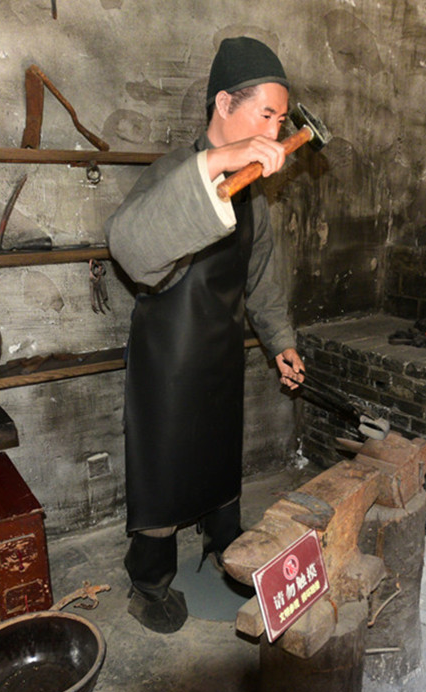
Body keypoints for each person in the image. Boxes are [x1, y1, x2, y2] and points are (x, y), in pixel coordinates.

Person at [105, 37, 305, 634]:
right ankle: (149, 576)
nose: (276, 127)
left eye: (281, 118)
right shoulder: (173, 171)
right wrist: (216, 165)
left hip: (220, 347)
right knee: (163, 465)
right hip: (168, 353)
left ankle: (224, 539)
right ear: (225, 104)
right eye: (265, 114)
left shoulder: (257, 199)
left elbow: (262, 278)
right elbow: (129, 246)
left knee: (220, 453)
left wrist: (281, 341)